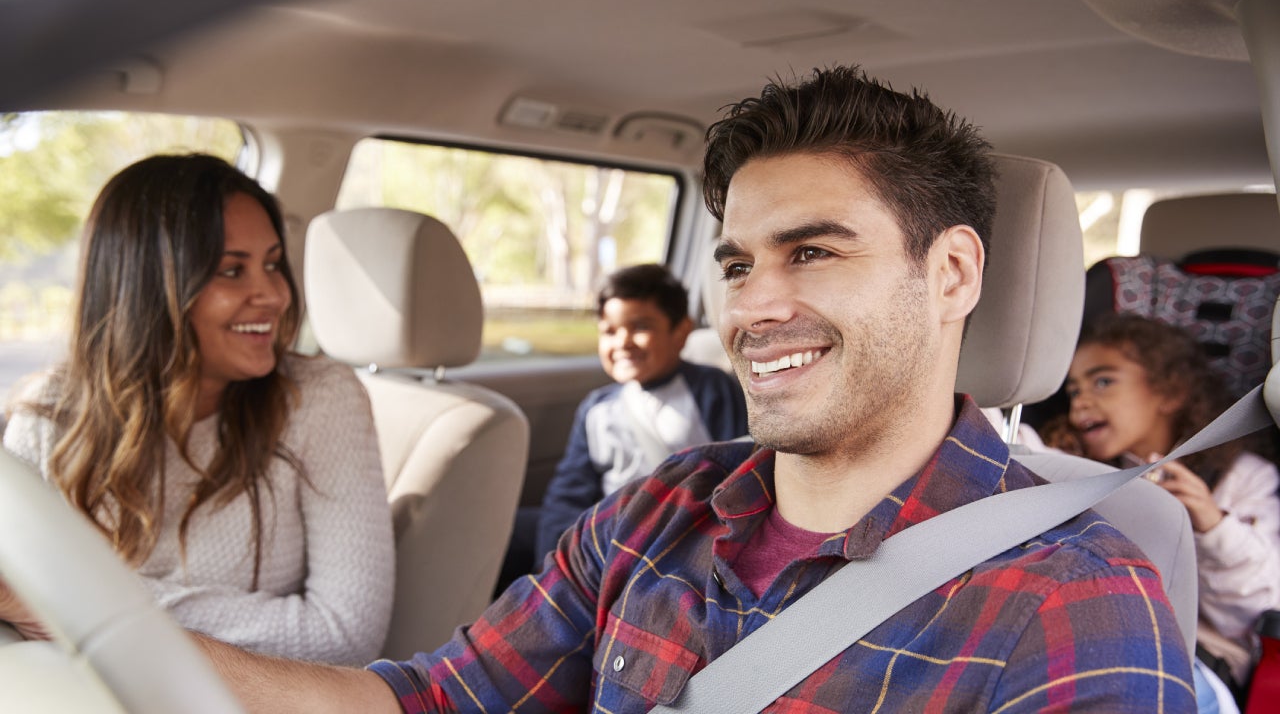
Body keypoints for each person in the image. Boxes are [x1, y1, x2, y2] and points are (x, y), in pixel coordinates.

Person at [188, 64, 1193, 712]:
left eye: (813, 252)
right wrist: (111, 636)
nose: (755, 308)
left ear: (951, 276)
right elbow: (431, 702)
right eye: (741, 263)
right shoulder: (656, 513)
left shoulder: (1072, 602)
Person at [0, 153, 395, 665]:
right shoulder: (47, 419)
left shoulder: (318, 398)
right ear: (145, 290)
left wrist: (90, 608)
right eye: (233, 271)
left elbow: (345, 635)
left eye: (273, 264)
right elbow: (16, 605)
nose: (274, 294)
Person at [1052, 313, 1280, 700]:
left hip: (1198, 655)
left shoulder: (1241, 477)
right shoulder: (1075, 468)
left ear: (1169, 392)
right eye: (1073, 391)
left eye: (1103, 381)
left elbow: (1259, 607)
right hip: (1093, 635)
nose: (1082, 402)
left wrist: (1212, 524)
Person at [532, 263, 748, 560]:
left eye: (641, 327)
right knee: (504, 527)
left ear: (681, 332)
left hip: (679, 536)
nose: (622, 342)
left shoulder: (711, 389)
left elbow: (738, 473)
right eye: (609, 331)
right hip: (607, 537)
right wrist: (555, 557)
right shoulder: (597, 407)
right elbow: (568, 493)